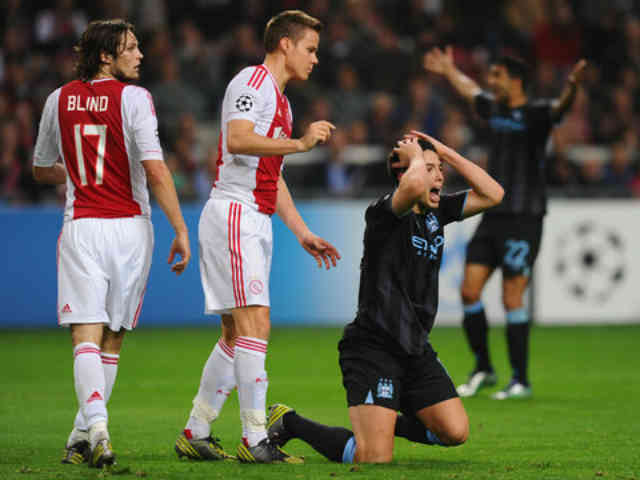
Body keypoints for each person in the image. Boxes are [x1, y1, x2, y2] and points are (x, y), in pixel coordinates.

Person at [264, 131, 504, 464]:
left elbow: (493, 194)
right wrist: (418, 159)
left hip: (416, 348)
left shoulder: (438, 213)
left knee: (455, 431)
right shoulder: (383, 214)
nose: (439, 176)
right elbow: (410, 189)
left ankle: (383, 418)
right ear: (406, 174)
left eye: (440, 170)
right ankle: (289, 421)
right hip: (373, 348)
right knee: (373, 458)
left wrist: (444, 152)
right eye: (430, 169)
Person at [174, 10, 340, 464]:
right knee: (255, 324)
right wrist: (301, 144)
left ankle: (197, 430)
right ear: (285, 43)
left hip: (256, 216)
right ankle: (254, 438)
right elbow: (239, 139)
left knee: (234, 332)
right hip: (234, 213)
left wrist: (302, 231)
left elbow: (273, 175)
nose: (315, 59)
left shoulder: (282, 103)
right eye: (310, 49)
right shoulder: (252, 82)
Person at [32, 19, 191, 468]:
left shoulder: (56, 99)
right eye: (132, 47)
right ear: (106, 55)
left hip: (81, 225)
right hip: (130, 229)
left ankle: (83, 434)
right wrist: (180, 228)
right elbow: (156, 170)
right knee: (112, 339)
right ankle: (98, 428)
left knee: (85, 334)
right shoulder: (135, 99)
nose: (140, 55)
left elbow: (42, 169)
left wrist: (83, 173)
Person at [424, 47, 586, 399]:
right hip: (492, 215)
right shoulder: (495, 109)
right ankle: (483, 367)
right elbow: (470, 91)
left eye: (497, 75)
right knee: (469, 290)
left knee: (512, 297)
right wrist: (450, 70)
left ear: (514, 80)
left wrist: (572, 86)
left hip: (525, 217)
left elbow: (562, 109)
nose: (491, 80)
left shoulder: (538, 112)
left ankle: (520, 379)